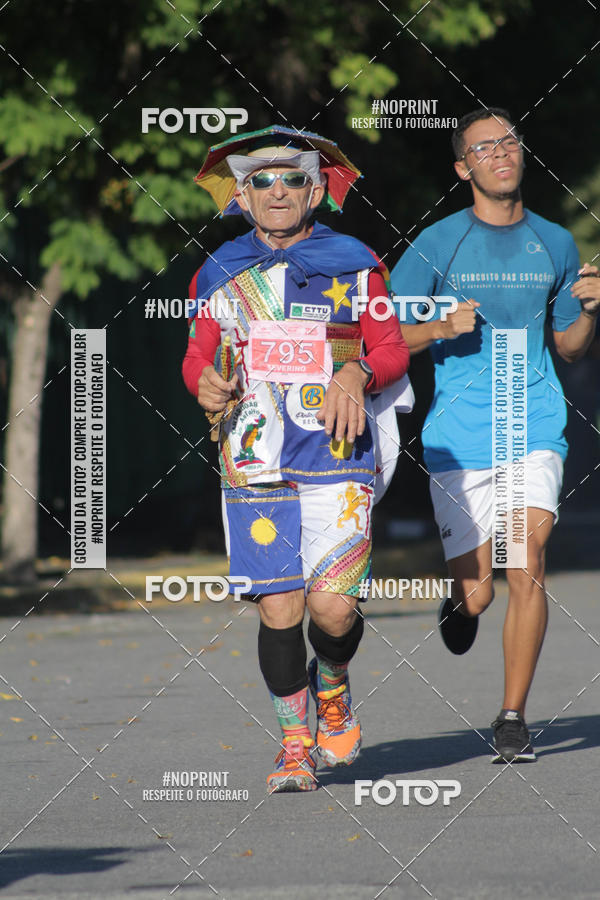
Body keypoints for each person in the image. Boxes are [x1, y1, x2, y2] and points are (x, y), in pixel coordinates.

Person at [183, 128, 410, 791]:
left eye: (291, 180)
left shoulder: (356, 259)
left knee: (333, 609)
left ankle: (333, 682)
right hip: (253, 458)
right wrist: (203, 380)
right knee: (278, 606)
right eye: (261, 181)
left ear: (315, 190)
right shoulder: (220, 269)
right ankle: (294, 747)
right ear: (243, 197)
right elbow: (199, 355)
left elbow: (391, 346)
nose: (277, 191)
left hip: (337, 453)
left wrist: (358, 373)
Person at [390, 107, 600, 763]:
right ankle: (461, 600)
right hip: (458, 435)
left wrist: (591, 310)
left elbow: (568, 348)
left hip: (533, 424)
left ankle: (512, 716)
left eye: (509, 141)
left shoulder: (556, 244)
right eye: (484, 147)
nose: (501, 152)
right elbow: (383, 336)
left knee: (526, 563)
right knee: (479, 591)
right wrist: (438, 328)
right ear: (463, 168)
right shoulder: (435, 244)